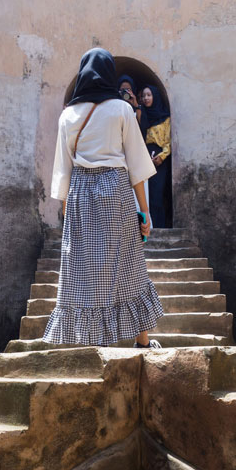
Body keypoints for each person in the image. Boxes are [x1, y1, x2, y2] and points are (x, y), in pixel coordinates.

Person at [45, 49, 164, 349]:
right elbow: (136, 165)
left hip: (81, 193)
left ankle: (96, 343)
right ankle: (143, 341)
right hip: (116, 190)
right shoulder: (122, 110)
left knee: (85, 269)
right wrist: (145, 213)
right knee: (127, 263)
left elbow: (63, 169)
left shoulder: (68, 115)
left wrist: (66, 214)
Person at [140, 85, 172, 228]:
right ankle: (147, 227)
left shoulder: (164, 118)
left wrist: (162, 157)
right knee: (145, 196)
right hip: (143, 157)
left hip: (159, 159)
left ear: (155, 97)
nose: (146, 98)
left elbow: (168, 141)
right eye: (144, 95)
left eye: (149, 95)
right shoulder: (142, 116)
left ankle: (159, 228)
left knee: (157, 195)